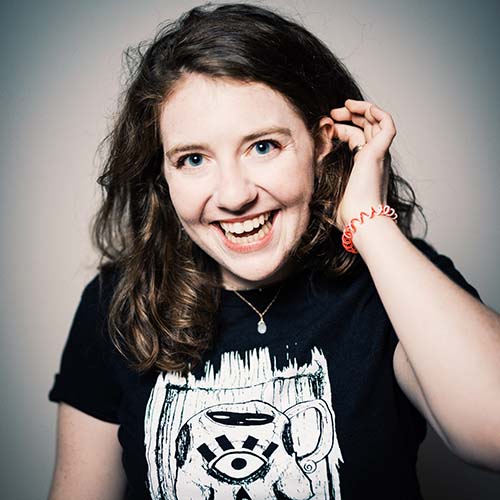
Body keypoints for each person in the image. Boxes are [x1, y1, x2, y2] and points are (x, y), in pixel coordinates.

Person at [47, 3, 500, 500]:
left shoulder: (393, 280)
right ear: (163, 173)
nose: (233, 195)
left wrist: (369, 223)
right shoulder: (116, 303)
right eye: (193, 159)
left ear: (322, 144)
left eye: (263, 146)